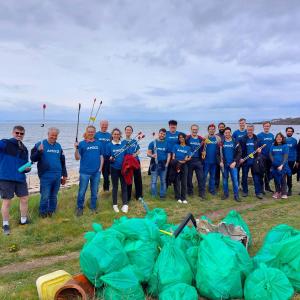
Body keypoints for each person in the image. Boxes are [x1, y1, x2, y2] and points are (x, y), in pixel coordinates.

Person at [0, 126, 31, 235]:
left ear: (23, 135)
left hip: (20, 178)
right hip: (6, 177)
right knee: (7, 201)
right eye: (17, 133)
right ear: (13, 133)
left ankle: (23, 220)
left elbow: (26, 165)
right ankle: (5, 224)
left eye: (21, 133)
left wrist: (28, 168)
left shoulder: (24, 149)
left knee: (24, 198)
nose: (19, 135)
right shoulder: (5, 143)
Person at [31, 128, 68, 218]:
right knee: (45, 196)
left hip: (57, 175)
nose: (54, 137)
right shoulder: (40, 144)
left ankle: (51, 212)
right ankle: (42, 213)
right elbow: (32, 159)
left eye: (56, 135)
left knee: (54, 195)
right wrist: (39, 151)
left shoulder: (58, 146)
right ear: (48, 134)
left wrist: (64, 175)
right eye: (52, 135)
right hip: (45, 175)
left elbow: (62, 161)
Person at [74, 125, 103, 216]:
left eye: (92, 132)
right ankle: (79, 208)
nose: (91, 133)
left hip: (96, 172)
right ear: (86, 132)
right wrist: (76, 148)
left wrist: (100, 168)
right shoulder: (82, 144)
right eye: (89, 131)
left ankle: (93, 207)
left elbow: (101, 156)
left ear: (95, 133)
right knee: (82, 191)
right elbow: (77, 158)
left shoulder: (98, 143)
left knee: (94, 191)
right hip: (84, 172)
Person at [106, 128, 128, 213]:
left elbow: (126, 156)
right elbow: (107, 157)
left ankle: (125, 204)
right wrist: (110, 159)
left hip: (123, 169)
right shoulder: (109, 145)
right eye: (114, 134)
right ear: (112, 135)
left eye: (117, 134)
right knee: (115, 187)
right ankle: (115, 205)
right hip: (114, 169)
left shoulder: (123, 144)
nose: (116, 135)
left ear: (120, 135)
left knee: (124, 186)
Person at [240, 124, 264, 199]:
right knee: (244, 177)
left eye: (251, 130)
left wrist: (259, 151)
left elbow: (260, 150)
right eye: (248, 130)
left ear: (253, 130)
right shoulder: (243, 139)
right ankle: (245, 191)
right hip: (245, 161)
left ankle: (258, 192)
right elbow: (239, 150)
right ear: (247, 130)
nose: (250, 131)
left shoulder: (257, 139)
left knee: (256, 177)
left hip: (254, 161)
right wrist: (241, 158)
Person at [218, 127, 241, 202]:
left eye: (228, 132)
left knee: (235, 180)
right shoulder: (221, 142)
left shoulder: (235, 142)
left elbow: (239, 153)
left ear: (231, 133)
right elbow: (218, 153)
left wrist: (235, 162)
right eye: (226, 133)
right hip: (224, 165)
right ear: (224, 134)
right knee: (225, 180)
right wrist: (220, 162)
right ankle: (226, 194)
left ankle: (236, 195)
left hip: (233, 165)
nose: (227, 134)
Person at [147, 128, 171, 199]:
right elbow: (148, 153)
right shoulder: (152, 143)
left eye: (164, 134)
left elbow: (169, 155)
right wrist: (152, 155)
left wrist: (167, 164)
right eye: (161, 133)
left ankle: (162, 195)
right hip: (154, 164)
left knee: (163, 181)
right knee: (153, 181)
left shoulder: (167, 144)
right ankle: (153, 196)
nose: (162, 135)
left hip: (163, 164)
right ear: (158, 133)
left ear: (165, 135)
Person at [123, 125, 143, 201]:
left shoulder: (135, 141)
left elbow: (138, 150)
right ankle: (128, 197)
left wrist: (135, 154)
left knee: (138, 178)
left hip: (135, 161)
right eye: (127, 130)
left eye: (130, 130)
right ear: (125, 131)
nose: (128, 131)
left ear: (132, 132)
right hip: (128, 163)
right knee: (129, 179)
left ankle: (139, 195)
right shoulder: (123, 142)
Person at [186, 124, 205, 199]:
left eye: (196, 129)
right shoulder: (187, 138)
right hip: (189, 161)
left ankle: (202, 193)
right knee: (189, 178)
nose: (194, 130)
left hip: (198, 161)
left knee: (200, 177)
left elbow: (203, 148)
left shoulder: (200, 139)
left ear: (197, 130)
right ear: (191, 130)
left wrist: (203, 153)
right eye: (193, 129)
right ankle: (190, 192)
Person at [269, 133, 290, 199]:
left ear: (282, 138)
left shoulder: (285, 146)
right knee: (276, 179)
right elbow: (270, 154)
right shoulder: (273, 145)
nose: (278, 138)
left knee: (282, 179)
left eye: (280, 137)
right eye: (277, 137)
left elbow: (286, 156)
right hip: (275, 165)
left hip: (282, 166)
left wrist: (281, 165)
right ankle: (277, 192)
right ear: (275, 138)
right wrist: (273, 162)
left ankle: (284, 193)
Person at [172, 133, 191, 203]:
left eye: (182, 137)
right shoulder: (175, 146)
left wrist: (186, 159)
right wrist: (180, 161)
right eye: (179, 138)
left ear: (185, 138)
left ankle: (184, 198)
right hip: (176, 165)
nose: (181, 139)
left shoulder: (188, 148)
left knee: (184, 182)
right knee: (177, 181)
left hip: (184, 165)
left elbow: (188, 157)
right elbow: (173, 157)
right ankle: (178, 197)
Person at [202, 124, 220, 196]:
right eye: (210, 129)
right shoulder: (205, 138)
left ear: (215, 130)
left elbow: (220, 149)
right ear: (208, 130)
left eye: (213, 129)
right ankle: (202, 190)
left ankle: (211, 189)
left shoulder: (218, 138)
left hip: (214, 161)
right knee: (204, 176)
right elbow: (201, 147)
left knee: (212, 176)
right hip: (206, 161)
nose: (212, 130)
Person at [257, 121, 275, 193]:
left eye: (268, 126)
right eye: (265, 126)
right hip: (262, 157)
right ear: (263, 126)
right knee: (261, 173)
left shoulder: (272, 135)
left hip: (270, 157)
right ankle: (261, 188)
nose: (266, 127)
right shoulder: (259, 135)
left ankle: (267, 186)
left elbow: (274, 145)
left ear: (270, 127)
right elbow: (256, 146)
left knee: (269, 173)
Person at [95, 120, 111, 191]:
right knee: (96, 175)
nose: (104, 126)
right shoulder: (96, 134)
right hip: (97, 158)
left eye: (106, 125)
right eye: (103, 124)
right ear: (100, 125)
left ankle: (106, 190)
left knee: (106, 175)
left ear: (108, 125)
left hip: (107, 157)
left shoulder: (110, 135)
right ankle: (95, 190)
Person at [232, 118, 247, 185]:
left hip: (245, 155)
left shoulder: (247, 132)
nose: (242, 124)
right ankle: (237, 185)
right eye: (240, 123)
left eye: (243, 123)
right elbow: (232, 143)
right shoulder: (235, 133)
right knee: (237, 172)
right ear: (239, 124)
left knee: (244, 172)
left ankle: (243, 185)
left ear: (245, 123)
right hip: (237, 155)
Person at [285, 127, 298, 196]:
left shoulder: (295, 140)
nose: (289, 132)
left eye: (291, 131)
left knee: (289, 175)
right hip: (284, 160)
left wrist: (296, 160)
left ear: (292, 132)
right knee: (283, 174)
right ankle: (283, 188)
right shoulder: (283, 139)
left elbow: (296, 150)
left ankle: (289, 189)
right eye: (288, 131)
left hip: (291, 160)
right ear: (286, 132)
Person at [215, 122, 226, 189]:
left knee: (224, 173)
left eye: (222, 127)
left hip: (225, 158)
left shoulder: (227, 135)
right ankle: (216, 186)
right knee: (217, 173)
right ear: (218, 128)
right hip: (217, 157)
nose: (221, 128)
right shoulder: (216, 136)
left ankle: (225, 186)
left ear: (224, 127)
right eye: (220, 127)